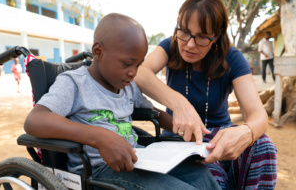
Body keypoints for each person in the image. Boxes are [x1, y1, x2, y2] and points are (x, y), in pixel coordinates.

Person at [24, 13, 221, 190]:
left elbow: (154, 113)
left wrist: (191, 133)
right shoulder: (74, 84)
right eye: (128, 64)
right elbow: (35, 120)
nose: (134, 72)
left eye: (138, 65)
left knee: (199, 175)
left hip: (138, 159)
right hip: (98, 171)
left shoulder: (127, 84)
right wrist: (99, 137)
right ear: (99, 52)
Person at [134, 0, 277, 190]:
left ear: (217, 37)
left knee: (264, 147)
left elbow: (256, 113)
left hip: (221, 135)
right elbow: (139, 71)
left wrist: (246, 132)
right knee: (209, 176)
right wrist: (179, 102)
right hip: (180, 140)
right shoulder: (171, 45)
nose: (190, 44)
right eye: (183, 31)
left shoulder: (232, 58)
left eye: (202, 37)